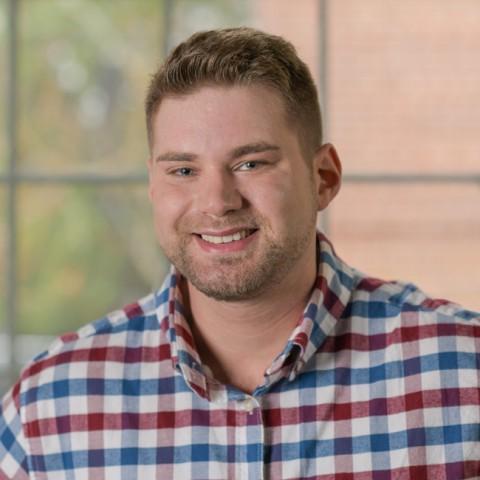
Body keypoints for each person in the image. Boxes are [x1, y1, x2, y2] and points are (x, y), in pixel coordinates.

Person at [1, 27, 479, 479]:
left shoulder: (464, 374)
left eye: (251, 163)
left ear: (324, 177)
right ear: (152, 183)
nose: (217, 202)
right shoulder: (50, 408)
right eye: (183, 171)